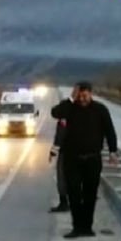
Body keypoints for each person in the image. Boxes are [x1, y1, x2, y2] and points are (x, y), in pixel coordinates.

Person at [51, 81, 117, 239]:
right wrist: (70, 99)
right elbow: (55, 113)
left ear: (90, 94)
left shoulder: (100, 109)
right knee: (74, 193)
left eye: (84, 95)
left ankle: (87, 227)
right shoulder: (70, 108)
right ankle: (77, 227)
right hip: (72, 159)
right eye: (79, 95)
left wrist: (113, 152)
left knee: (90, 194)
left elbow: (109, 130)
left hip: (92, 159)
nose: (82, 98)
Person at [48, 85, 78, 213]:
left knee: (64, 177)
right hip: (74, 151)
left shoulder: (69, 113)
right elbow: (55, 113)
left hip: (71, 151)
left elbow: (60, 135)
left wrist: (53, 151)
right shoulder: (65, 115)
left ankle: (65, 203)